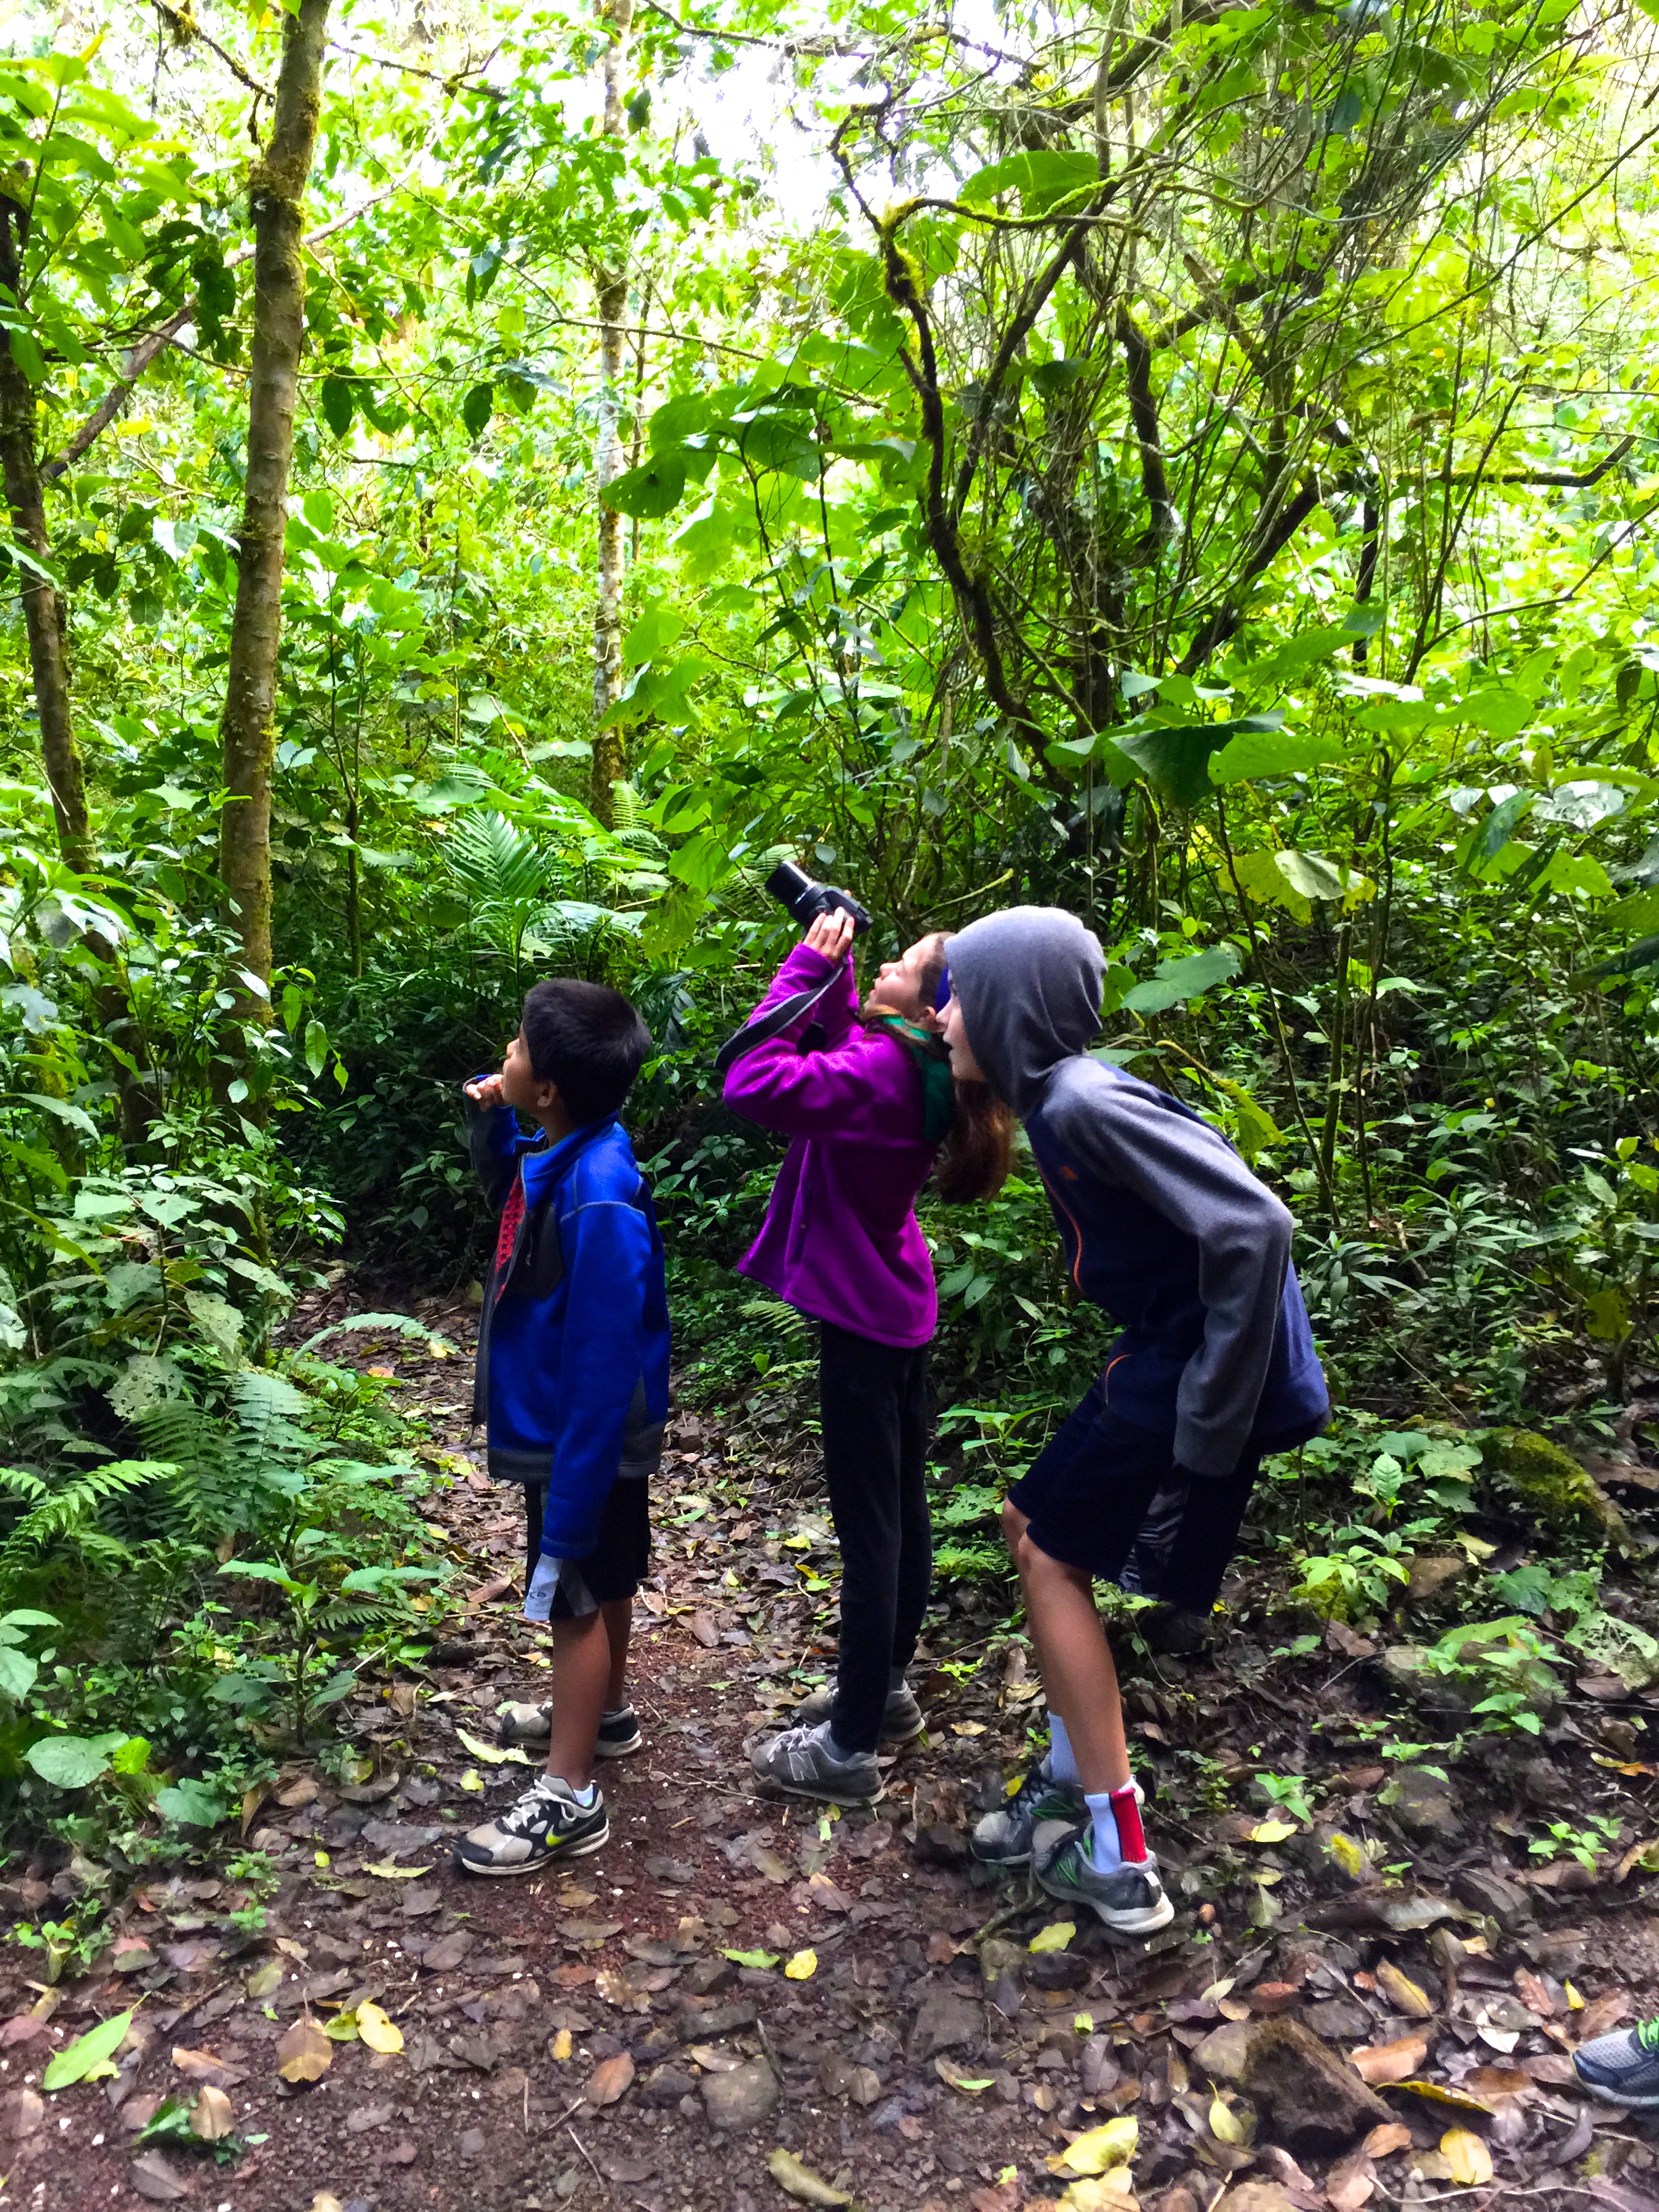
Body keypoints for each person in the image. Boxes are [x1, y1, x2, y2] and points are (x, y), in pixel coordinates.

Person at [942, 907, 1328, 1935]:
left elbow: (1256, 1225)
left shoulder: (1080, 1102)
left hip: (1190, 1373)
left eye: (960, 997)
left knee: (1053, 1561)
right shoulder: (1063, 1097)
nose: (944, 1018)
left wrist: (1210, 1418)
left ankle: (1119, 1858)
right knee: (1032, 1527)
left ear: (1005, 1011)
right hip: (1160, 1358)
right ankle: (1076, 1786)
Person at [726, 905, 1013, 1805]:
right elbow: (848, 1045)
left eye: (901, 964)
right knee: (904, 1506)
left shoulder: (887, 1071)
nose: (884, 962)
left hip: (860, 1318)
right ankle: (883, 1691)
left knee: (870, 1530)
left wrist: (801, 975)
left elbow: (751, 1080)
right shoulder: (921, 1066)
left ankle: (848, 1747)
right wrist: (838, 976)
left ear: (938, 1011)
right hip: (897, 1304)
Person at [451, 978, 670, 1876]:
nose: (504, 1053)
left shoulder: (603, 1193)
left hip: (580, 1436)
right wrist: (496, 1119)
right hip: (578, 1432)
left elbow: (604, 1354)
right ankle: (605, 1711)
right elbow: (514, 1183)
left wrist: (574, 1494)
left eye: (516, 1048)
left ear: (550, 1089)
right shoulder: (569, 1146)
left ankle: (570, 1789)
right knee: (603, 1577)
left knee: (570, 1591)